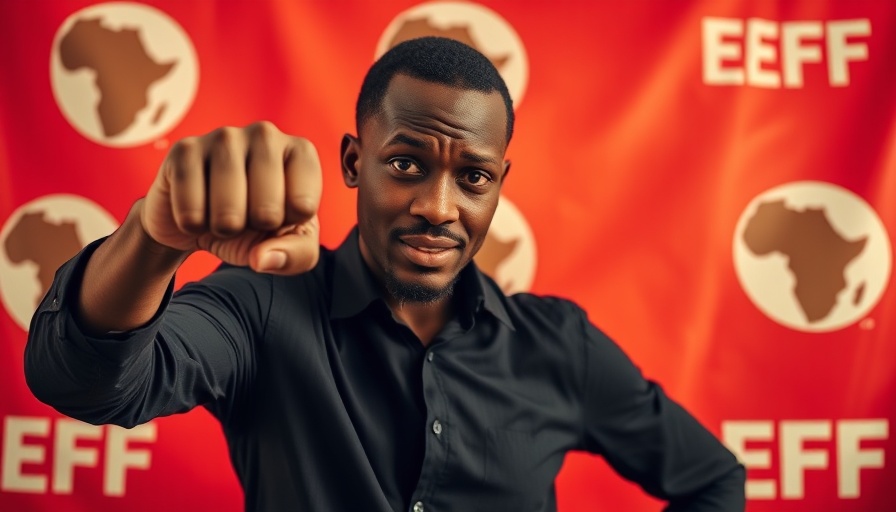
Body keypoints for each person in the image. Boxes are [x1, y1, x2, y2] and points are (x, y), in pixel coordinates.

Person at [26, 37, 745, 511]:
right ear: (352, 162)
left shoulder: (559, 345)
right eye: (406, 164)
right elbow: (84, 382)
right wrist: (156, 238)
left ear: (499, 185)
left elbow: (713, 480)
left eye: (473, 177)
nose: (438, 207)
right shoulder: (259, 310)